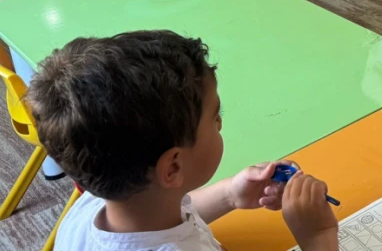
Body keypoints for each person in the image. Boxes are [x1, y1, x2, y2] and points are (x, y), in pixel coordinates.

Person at [25, 31, 339, 251]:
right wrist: (318, 237)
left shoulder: (95, 203)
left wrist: (231, 194)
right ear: (173, 166)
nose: (220, 124)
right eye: (215, 118)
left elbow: (168, 211)